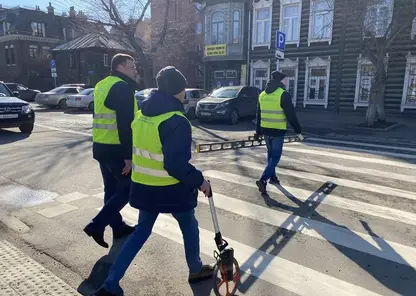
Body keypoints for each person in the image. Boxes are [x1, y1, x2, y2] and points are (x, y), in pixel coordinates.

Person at [93, 66, 214, 296]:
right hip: (171, 189)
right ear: (180, 91)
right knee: (189, 226)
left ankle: (110, 283)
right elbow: (175, 165)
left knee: (140, 233)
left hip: (144, 187)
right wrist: (200, 181)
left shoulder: (143, 114)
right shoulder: (176, 119)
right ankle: (196, 269)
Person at [84, 53, 139, 248]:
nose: (135, 70)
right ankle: (97, 225)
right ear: (121, 67)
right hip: (116, 149)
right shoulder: (121, 87)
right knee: (128, 190)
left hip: (100, 146)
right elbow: (124, 124)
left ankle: (117, 227)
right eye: (132, 66)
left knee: (112, 189)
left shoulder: (101, 84)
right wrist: (128, 157)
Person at [254, 70, 303, 194]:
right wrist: (298, 131)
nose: (286, 82)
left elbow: (258, 115)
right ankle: (263, 179)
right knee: (276, 157)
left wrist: (258, 132)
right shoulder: (283, 94)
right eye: (285, 80)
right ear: (281, 81)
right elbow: (291, 115)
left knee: (270, 155)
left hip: (265, 130)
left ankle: (273, 177)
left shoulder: (262, 94)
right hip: (277, 131)